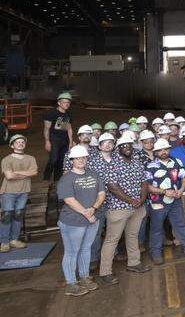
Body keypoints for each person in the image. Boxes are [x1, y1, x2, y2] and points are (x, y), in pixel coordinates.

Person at [97, 132, 151, 284]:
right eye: (123, 146)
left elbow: (144, 181)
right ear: (118, 148)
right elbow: (112, 187)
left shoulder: (136, 161)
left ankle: (134, 263)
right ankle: (105, 272)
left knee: (132, 235)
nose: (127, 148)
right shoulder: (112, 163)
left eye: (129, 146)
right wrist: (131, 200)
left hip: (137, 206)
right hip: (118, 208)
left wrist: (141, 199)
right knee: (112, 239)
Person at [144, 139, 185, 264]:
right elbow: (147, 187)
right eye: (160, 150)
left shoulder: (176, 162)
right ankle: (155, 252)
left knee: (180, 224)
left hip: (175, 200)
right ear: (155, 152)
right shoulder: (150, 166)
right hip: (158, 202)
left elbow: (184, 177)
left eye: (165, 149)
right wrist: (164, 192)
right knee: (157, 228)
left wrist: (181, 190)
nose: (163, 152)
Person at [57, 145, 105, 296]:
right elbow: (69, 200)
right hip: (73, 221)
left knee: (85, 249)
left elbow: (102, 193)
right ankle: (71, 283)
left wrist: (94, 208)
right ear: (72, 160)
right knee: (72, 252)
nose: (81, 160)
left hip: (92, 218)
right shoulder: (66, 178)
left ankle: (84, 277)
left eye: (83, 157)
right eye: (78, 158)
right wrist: (87, 213)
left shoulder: (93, 173)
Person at [1, 134, 37, 252]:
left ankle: (14, 240)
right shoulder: (6, 160)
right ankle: (4, 242)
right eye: (17, 142)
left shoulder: (31, 158)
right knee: (7, 216)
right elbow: (9, 176)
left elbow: (34, 172)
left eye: (22, 142)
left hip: (24, 191)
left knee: (18, 215)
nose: (20, 144)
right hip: (8, 192)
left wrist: (17, 172)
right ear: (12, 145)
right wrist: (26, 172)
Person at [43, 92, 75, 184]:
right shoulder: (51, 114)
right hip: (54, 139)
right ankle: (46, 177)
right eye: (65, 102)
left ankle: (57, 179)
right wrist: (47, 141)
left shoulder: (68, 114)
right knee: (53, 159)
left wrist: (70, 142)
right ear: (59, 103)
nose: (67, 104)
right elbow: (46, 129)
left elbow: (69, 129)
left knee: (61, 161)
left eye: (68, 102)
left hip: (64, 140)